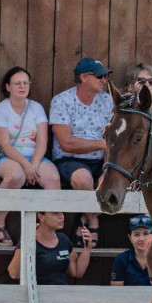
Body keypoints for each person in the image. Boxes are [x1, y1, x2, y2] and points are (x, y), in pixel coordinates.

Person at [0, 67, 60, 246]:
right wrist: (26, 166)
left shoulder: (36, 108)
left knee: (52, 178)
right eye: (17, 83)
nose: (22, 86)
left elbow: (42, 142)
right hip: (8, 157)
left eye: (25, 83)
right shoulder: (1, 110)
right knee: (16, 176)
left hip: (35, 156)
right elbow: (4, 145)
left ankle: (48, 228)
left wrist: (34, 165)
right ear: (8, 86)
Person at [49, 57, 113, 248]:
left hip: (101, 160)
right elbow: (66, 143)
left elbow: (114, 137)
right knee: (83, 179)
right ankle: (93, 221)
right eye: (100, 76)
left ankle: (82, 221)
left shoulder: (108, 101)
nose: (104, 80)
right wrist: (102, 144)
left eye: (106, 76)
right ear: (84, 77)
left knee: (115, 179)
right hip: (69, 159)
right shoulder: (62, 101)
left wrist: (108, 161)